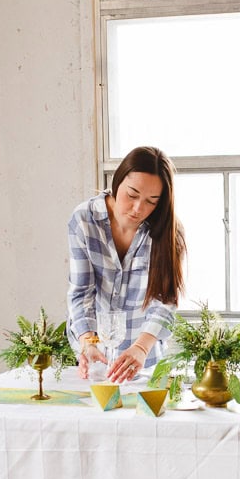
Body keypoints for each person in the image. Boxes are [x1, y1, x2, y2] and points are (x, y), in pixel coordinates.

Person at [66, 146, 186, 383]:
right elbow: (81, 294)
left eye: (151, 201)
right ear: (118, 181)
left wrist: (141, 348)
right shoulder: (84, 220)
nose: (138, 209)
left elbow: (165, 300)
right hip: (93, 356)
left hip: (144, 359)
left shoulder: (168, 232)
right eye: (132, 195)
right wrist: (88, 344)